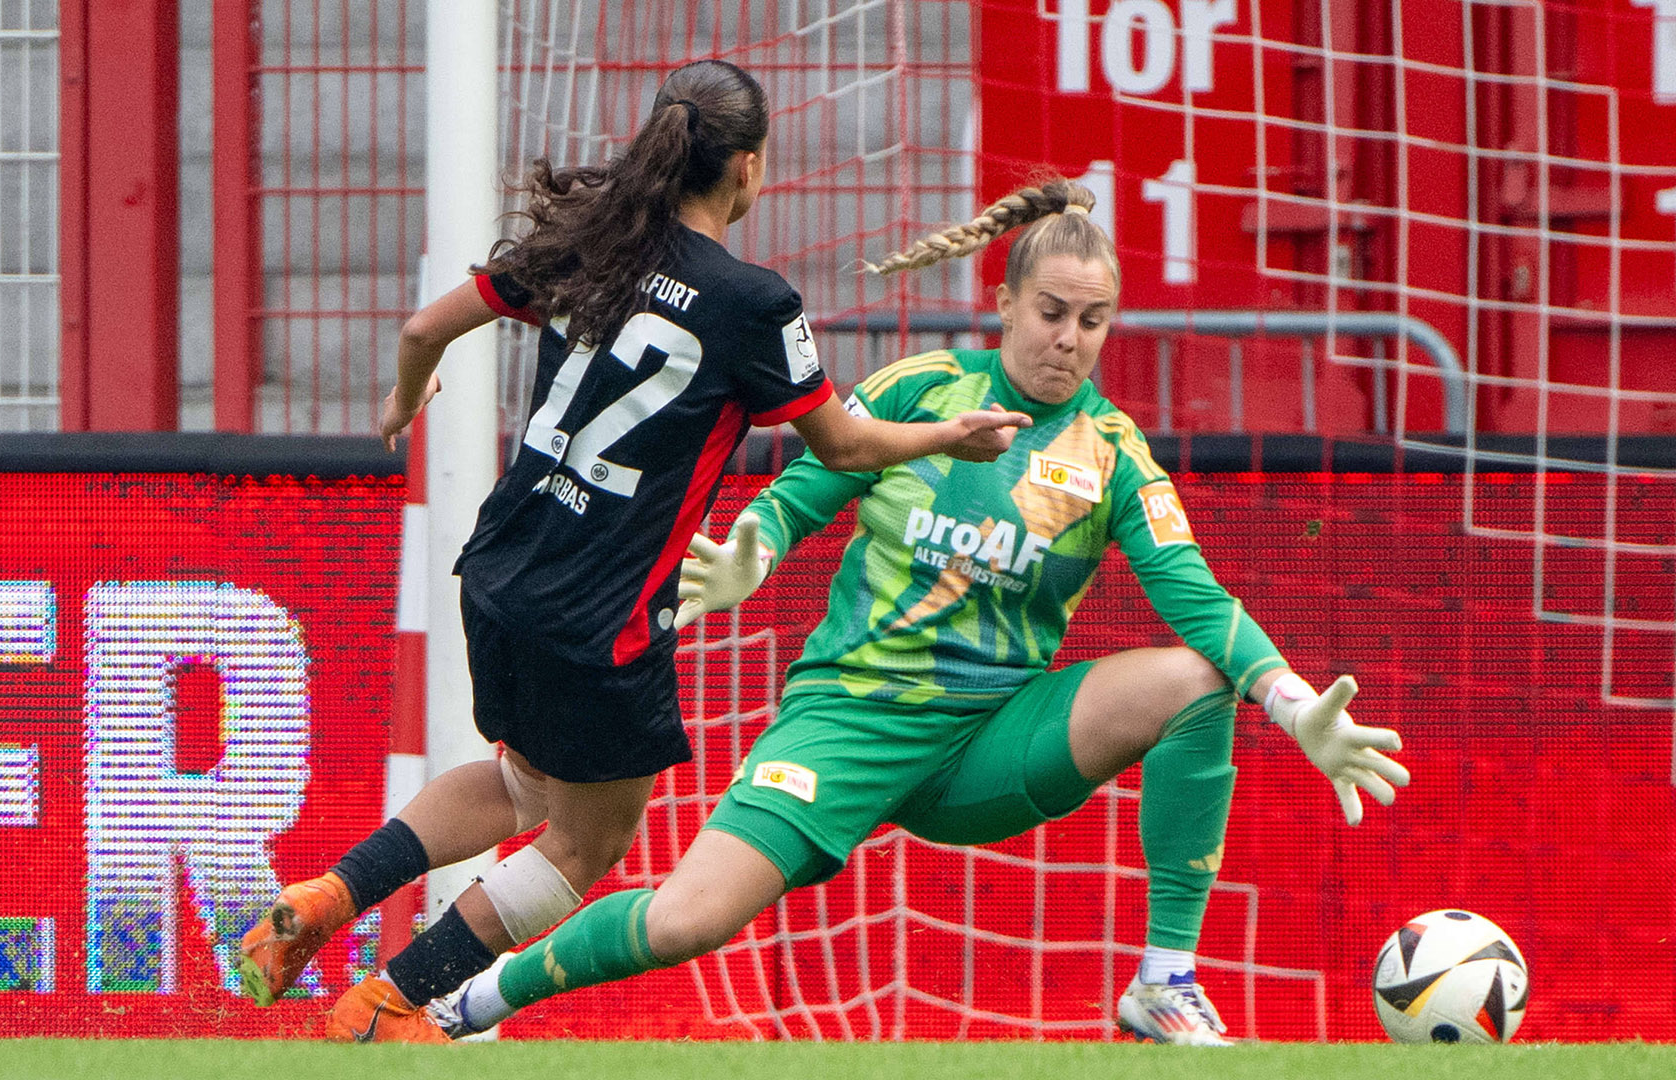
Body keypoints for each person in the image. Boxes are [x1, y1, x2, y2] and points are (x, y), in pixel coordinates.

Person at [391, 176, 1412, 1046]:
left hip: (991, 741)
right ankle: (470, 1006)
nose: (1069, 340)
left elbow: (1196, 596)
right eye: (1052, 312)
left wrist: (1284, 698)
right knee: (685, 922)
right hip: (849, 719)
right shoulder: (925, 391)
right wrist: (749, 557)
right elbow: (799, 497)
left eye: (1092, 321)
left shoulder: (1113, 454)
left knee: (1196, 684)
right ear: (1005, 301)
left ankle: (1164, 982)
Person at [233, 59, 1031, 1042]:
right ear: (746, 167)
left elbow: (422, 327)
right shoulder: (753, 302)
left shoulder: (589, 244)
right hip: (599, 620)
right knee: (587, 843)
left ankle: (322, 900)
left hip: (500, 573)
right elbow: (847, 447)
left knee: (522, 782)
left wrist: (405, 399)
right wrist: (950, 434)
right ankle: (390, 1002)